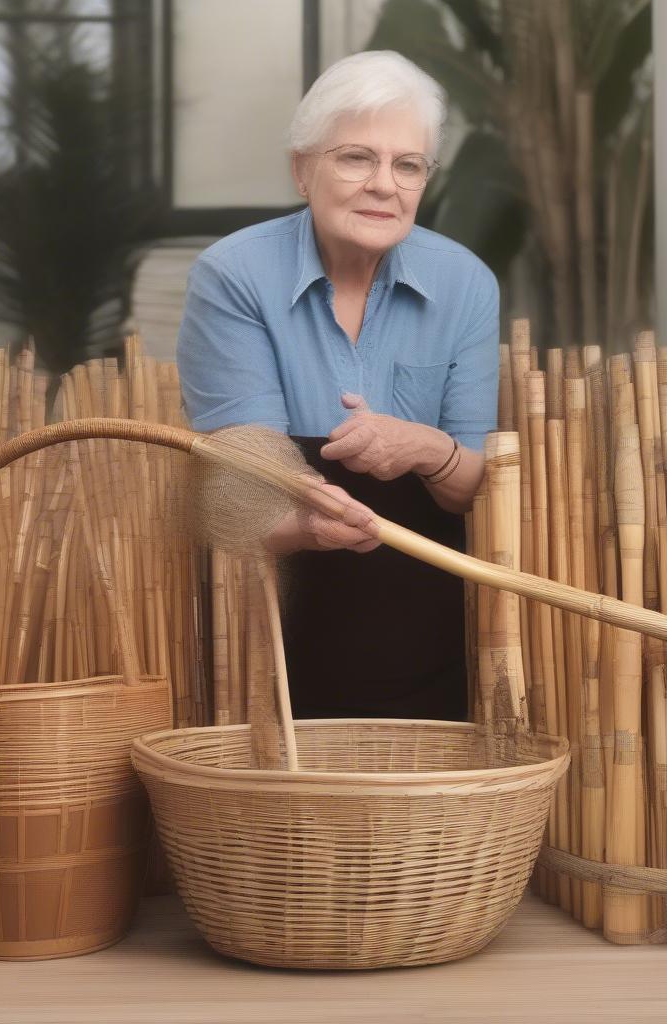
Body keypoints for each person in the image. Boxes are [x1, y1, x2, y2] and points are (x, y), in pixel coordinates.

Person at [177, 50, 499, 721]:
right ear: (302, 169)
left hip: (431, 618)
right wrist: (308, 525)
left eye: (407, 165)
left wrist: (426, 450)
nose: (384, 184)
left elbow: (474, 489)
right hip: (275, 621)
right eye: (357, 157)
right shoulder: (233, 276)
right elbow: (239, 497)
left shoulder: (465, 282)